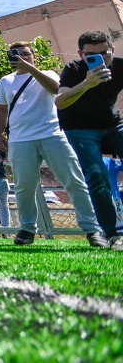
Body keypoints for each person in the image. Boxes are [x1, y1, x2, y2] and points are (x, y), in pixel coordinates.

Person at [0, 41, 108, 248]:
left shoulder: (48, 73)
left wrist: (29, 68)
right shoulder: (6, 81)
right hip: (20, 139)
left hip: (52, 134)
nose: (22, 57)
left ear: (34, 56)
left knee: (74, 181)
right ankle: (28, 229)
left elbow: (56, 89)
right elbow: (2, 109)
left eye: (26, 54)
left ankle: (92, 229)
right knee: (24, 187)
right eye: (16, 54)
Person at [54, 30, 123, 250]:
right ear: (81, 54)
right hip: (80, 128)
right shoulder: (74, 70)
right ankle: (113, 234)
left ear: (112, 49)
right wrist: (87, 84)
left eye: (105, 53)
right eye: (92, 55)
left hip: (112, 124)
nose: (101, 59)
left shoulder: (120, 66)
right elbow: (60, 102)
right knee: (96, 176)